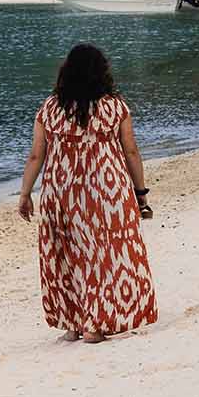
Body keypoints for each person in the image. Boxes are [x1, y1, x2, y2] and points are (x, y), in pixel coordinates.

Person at [17, 42, 157, 344]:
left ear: (66, 70)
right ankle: (96, 324)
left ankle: (74, 323)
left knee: (67, 253)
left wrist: (25, 194)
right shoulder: (115, 106)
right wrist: (140, 193)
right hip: (107, 191)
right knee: (104, 254)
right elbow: (130, 150)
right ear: (102, 71)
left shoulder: (50, 108)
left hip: (61, 192)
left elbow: (35, 157)